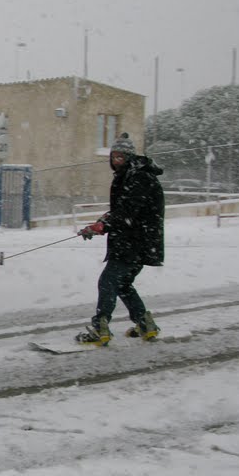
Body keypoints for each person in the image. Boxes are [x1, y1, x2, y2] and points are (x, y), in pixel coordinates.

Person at [76, 132, 165, 346]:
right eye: (114, 156)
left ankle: (100, 328)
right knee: (123, 283)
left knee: (108, 281)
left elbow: (127, 212)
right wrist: (99, 224)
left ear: (129, 158)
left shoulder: (139, 176)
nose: (117, 161)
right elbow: (121, 210)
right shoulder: (130, 174)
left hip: (134, 241)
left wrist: (104, 225)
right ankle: (145, 324)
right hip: (139, 241)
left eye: (121, 157)